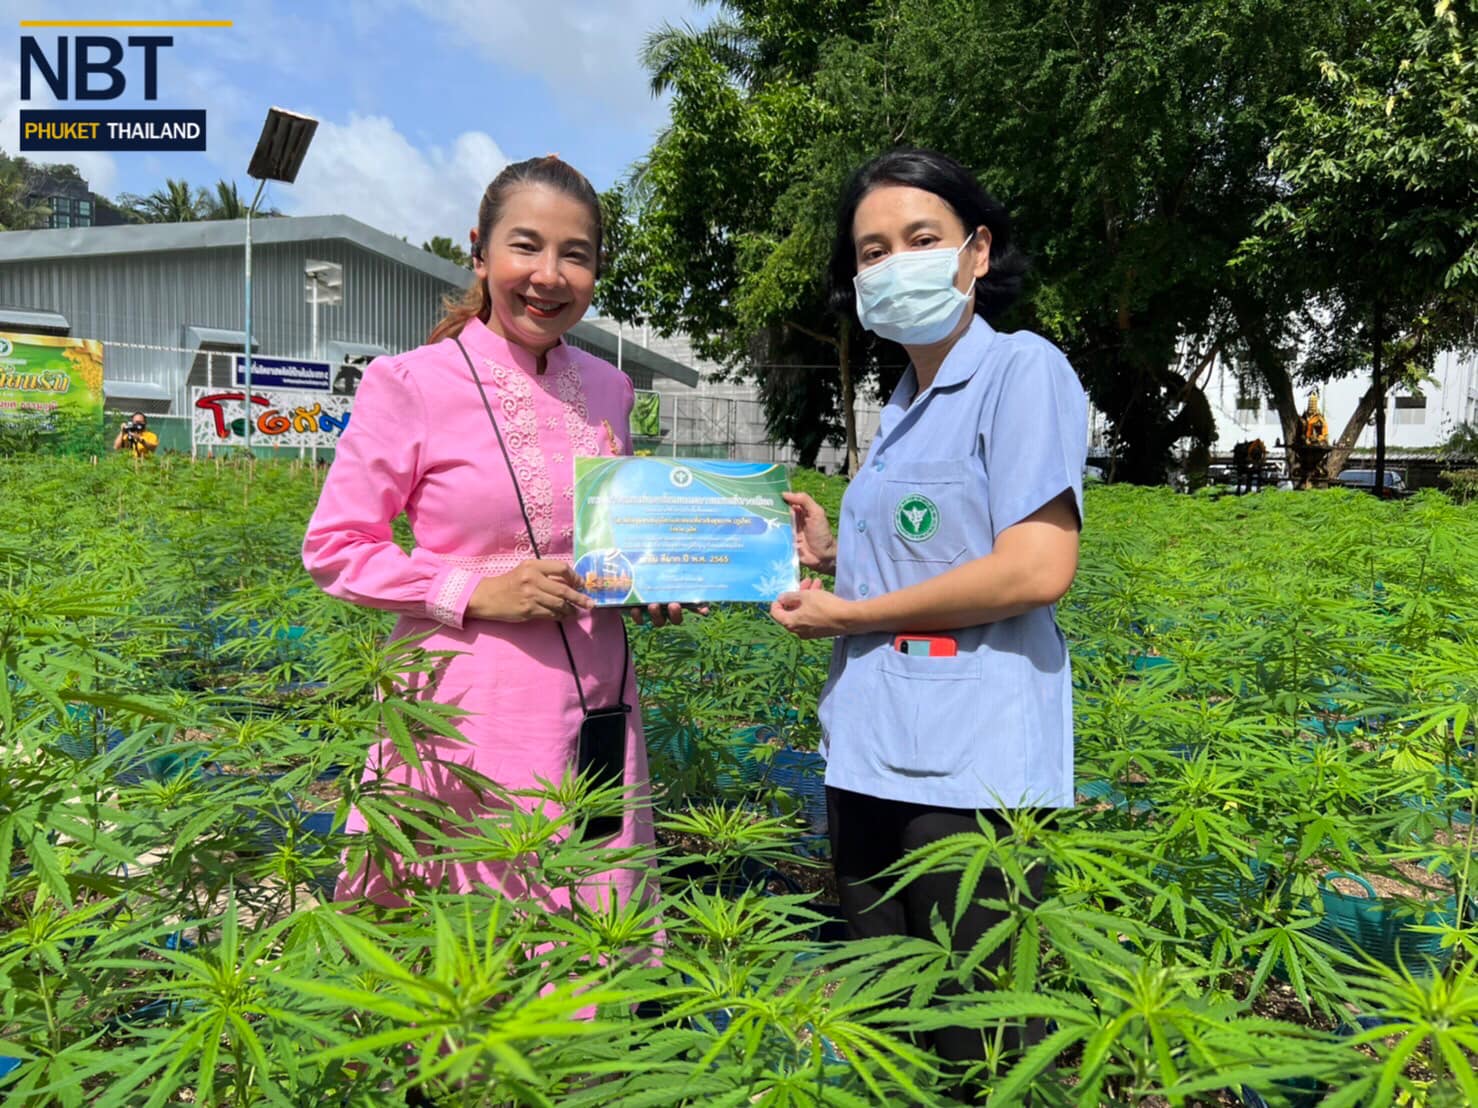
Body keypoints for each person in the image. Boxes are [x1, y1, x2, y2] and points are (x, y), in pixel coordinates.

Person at [769, 148, 1087, 1071]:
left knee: (977, 1037)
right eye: (872, 251)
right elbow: (935, 549)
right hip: (868, 749)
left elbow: (1035, 568)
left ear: (976, 251)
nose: (893, 263)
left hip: (970, 776)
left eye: (920, 239)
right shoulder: (902, 398)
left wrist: (852, 617)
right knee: (889, 1021)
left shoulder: (1021, 372)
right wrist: (833, 555)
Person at [303, 156, 689, 912]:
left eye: (575, 255)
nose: (549, 274)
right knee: (464, 934)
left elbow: (616, 536)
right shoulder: (410, 382)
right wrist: (473, 590)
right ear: (480, 251)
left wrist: (649, 585)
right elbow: (336, 546)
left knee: (584, 914)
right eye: (526, 246)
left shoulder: (611, 389)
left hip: (596, 697)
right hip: (461, 703)